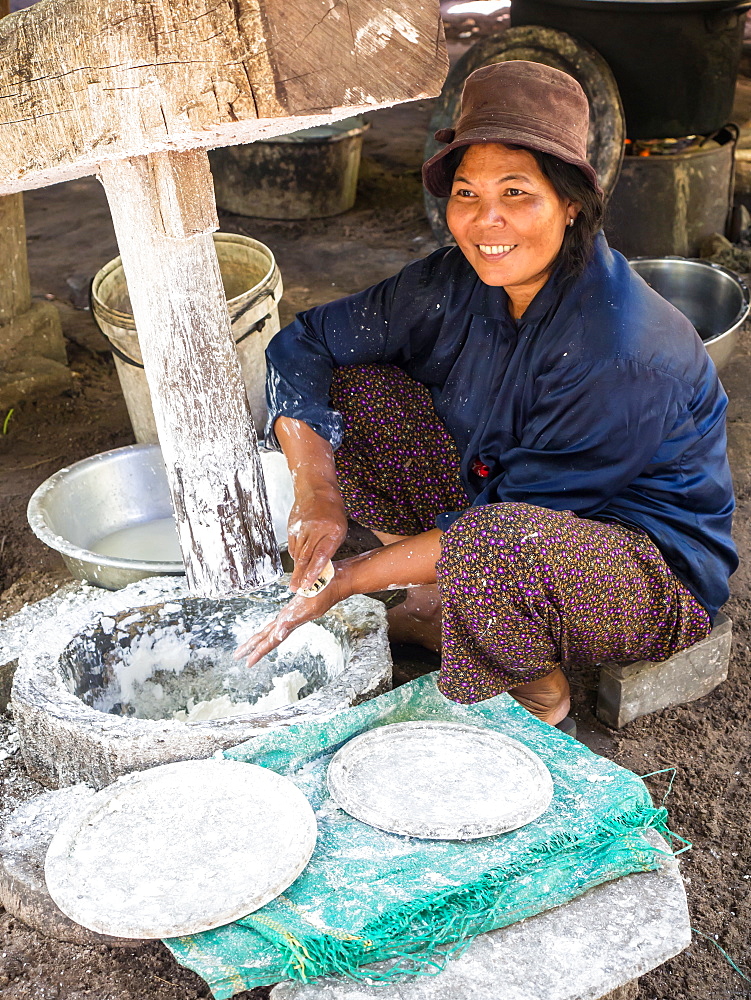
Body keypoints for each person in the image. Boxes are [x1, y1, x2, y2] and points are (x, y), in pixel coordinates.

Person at [234, 60, 737, 728]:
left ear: (570, 203)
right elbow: (304, 345)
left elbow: (507, 523)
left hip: (643, 570)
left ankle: (537, 690)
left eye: (515, 193)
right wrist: (315, 491)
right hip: (502, 508)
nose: (485, 221)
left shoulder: (622, 346)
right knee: (356, 390)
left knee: (495, 548)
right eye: (466, 193)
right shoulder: (452, 283)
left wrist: (350, 577)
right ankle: (435, 597)